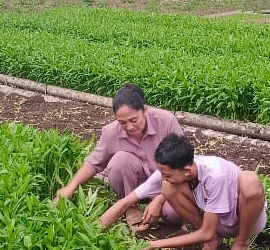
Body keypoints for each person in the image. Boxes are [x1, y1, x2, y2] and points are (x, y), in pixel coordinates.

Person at [100, 134, 268, 250]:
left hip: (243, 222)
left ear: (186, 171)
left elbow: (206, 232)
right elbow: (127, 201)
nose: (163, 178)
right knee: (167, 187)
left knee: (250, 180)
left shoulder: (216, 175)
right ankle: (213, 242)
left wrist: (154, 245)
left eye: (167, 175)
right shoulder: (174, 170)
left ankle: (240, 246)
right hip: (214, 223)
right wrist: (93, 230)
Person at [56, 83, 183, 226]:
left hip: (167, 185)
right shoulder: (111, 132)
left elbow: (183, 162)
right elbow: (93, 163)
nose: (129, 127)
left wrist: (160, 200)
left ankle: (156, 209)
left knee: (174, 215)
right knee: (121, 160)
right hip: (134, 188)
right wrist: (71, 186)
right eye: (122, 122)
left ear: (145, 110)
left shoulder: (166, 122)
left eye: (134, 120)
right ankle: (130, 207)